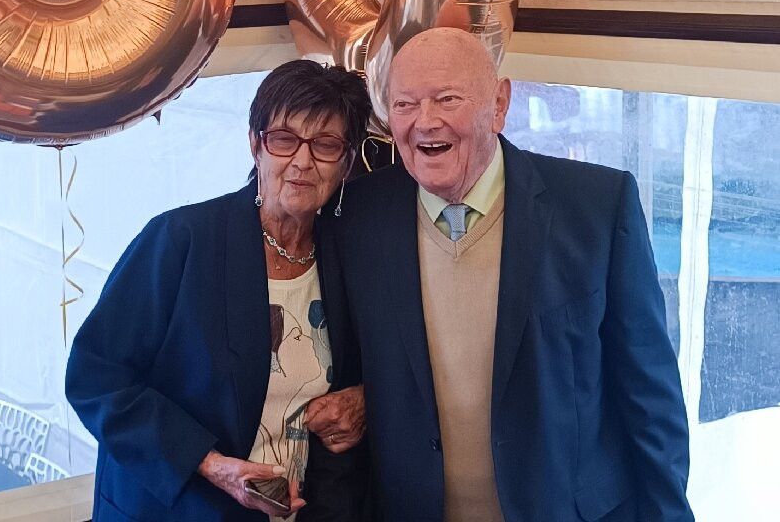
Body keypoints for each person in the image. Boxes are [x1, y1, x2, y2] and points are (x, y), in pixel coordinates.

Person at [322, 27, 694, 522]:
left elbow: (650, 396)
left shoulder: (599, 207)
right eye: (405, 104)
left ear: (499, 104)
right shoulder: (357, 216)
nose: (424, 122)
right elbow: (346, 377)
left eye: (447, 99)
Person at [67, 60, 371, 522]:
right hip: (178, 510)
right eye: (284, 139)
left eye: (325, 145)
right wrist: (211, 465)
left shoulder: (350, 255)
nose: (302, 161)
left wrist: (364, 398)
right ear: (255, 144)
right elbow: (95, 377)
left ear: (346, 163)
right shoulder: (181, 240)